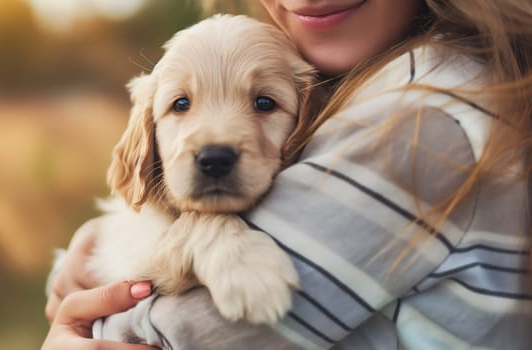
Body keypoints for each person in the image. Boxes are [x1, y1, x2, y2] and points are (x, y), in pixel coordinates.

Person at [43, 0, 532, 349]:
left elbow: (166, 336)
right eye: (180, 104)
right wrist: (98, 242)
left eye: (264, 103)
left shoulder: (421, 121)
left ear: (306, 118)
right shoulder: (383, 88)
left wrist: (203, 236)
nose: (214, 146)